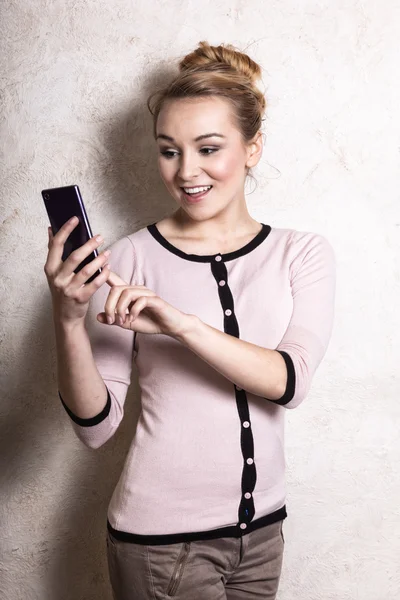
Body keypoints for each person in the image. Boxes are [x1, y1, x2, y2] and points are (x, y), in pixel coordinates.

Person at [44, 41, 336, 600]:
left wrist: (180, 324)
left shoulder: (301, 253)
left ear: (253, 149)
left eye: (208, 148)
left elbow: (287, 381)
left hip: (263, 536)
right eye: (169, 150)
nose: (187, 171)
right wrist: (67, 317)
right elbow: (95, 426)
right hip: (160, 546)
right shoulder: (129, 259)